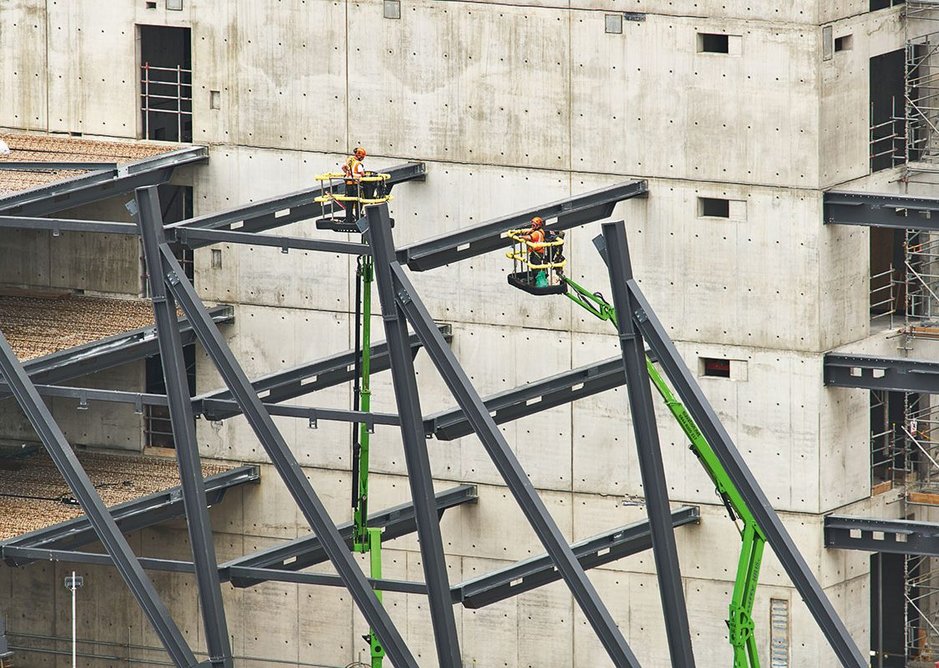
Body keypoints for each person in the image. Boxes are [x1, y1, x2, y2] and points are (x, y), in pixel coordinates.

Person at [341, 147, 367, 226]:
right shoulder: (358, 164)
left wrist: (348, 173)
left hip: (348, 183)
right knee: (358, 202)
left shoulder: (349, 160)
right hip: (355, 184)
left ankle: (348, 219)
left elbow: (343, 167)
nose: (362, 158)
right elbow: (362, 174)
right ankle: (358, 218)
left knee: (349, 201)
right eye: (362, 157)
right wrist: (364, 175)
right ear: (359, 156)